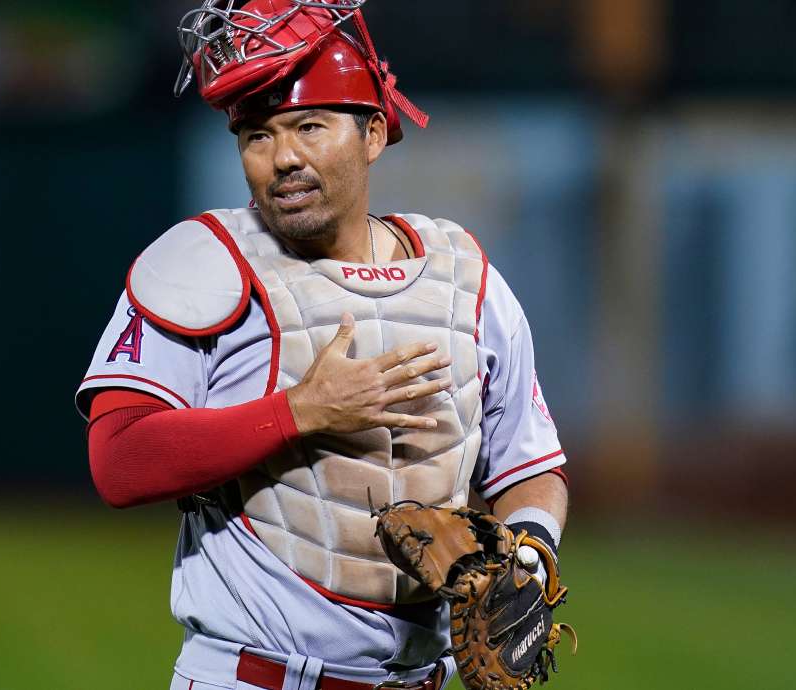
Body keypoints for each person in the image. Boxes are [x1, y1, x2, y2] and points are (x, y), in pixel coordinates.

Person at [75, 2, 568, 688]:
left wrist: (532, 555)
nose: (283, 158)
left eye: (308, 126)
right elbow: (119, 461)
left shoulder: (466, 277)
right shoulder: (206, 264)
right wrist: (299, 412)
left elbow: (528, 467)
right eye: (255, 135)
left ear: (372, 134)